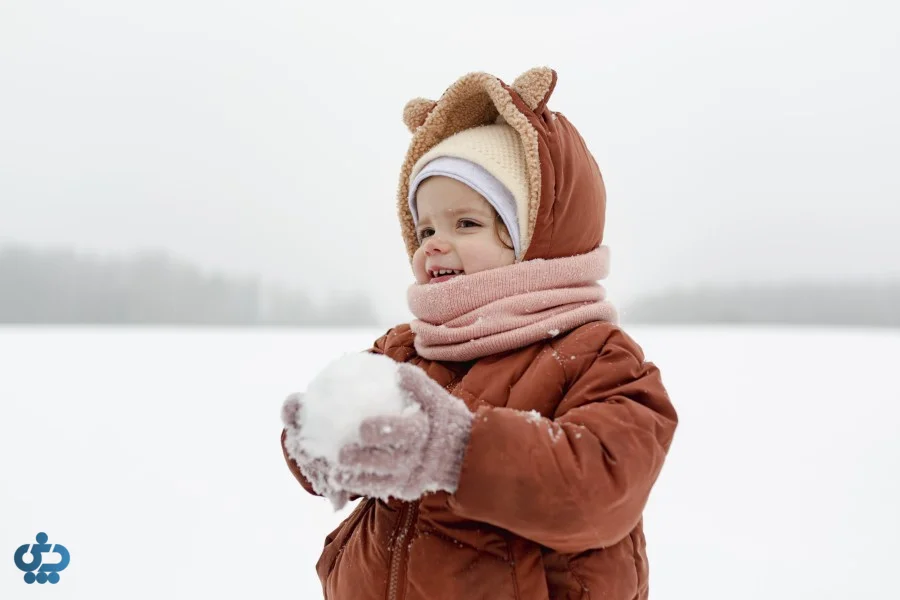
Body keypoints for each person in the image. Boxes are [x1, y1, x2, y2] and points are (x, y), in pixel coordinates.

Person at [280, 66, 678, 600]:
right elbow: (352, 440)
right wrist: (320, 443)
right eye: (425, 229)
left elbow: (598, 488)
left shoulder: (598, 357)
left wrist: (456, 449)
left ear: (536, 239)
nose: (434, 245)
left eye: (464, 224)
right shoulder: (407, 349)